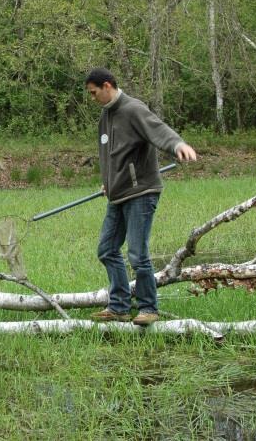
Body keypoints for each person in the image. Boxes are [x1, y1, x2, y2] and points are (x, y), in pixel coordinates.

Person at [84, 68, 197, 325]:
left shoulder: (133, 109)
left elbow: (159, 130)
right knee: (107, 250)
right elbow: (110, 156)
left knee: (137, 254)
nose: (92, 98)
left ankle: (149, 308)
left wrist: (178, 145)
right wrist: (108, 182)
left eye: (94, 93)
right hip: (118, 194)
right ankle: (119, 307)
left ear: (107, 86)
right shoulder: (105, 116)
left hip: (141, 192)